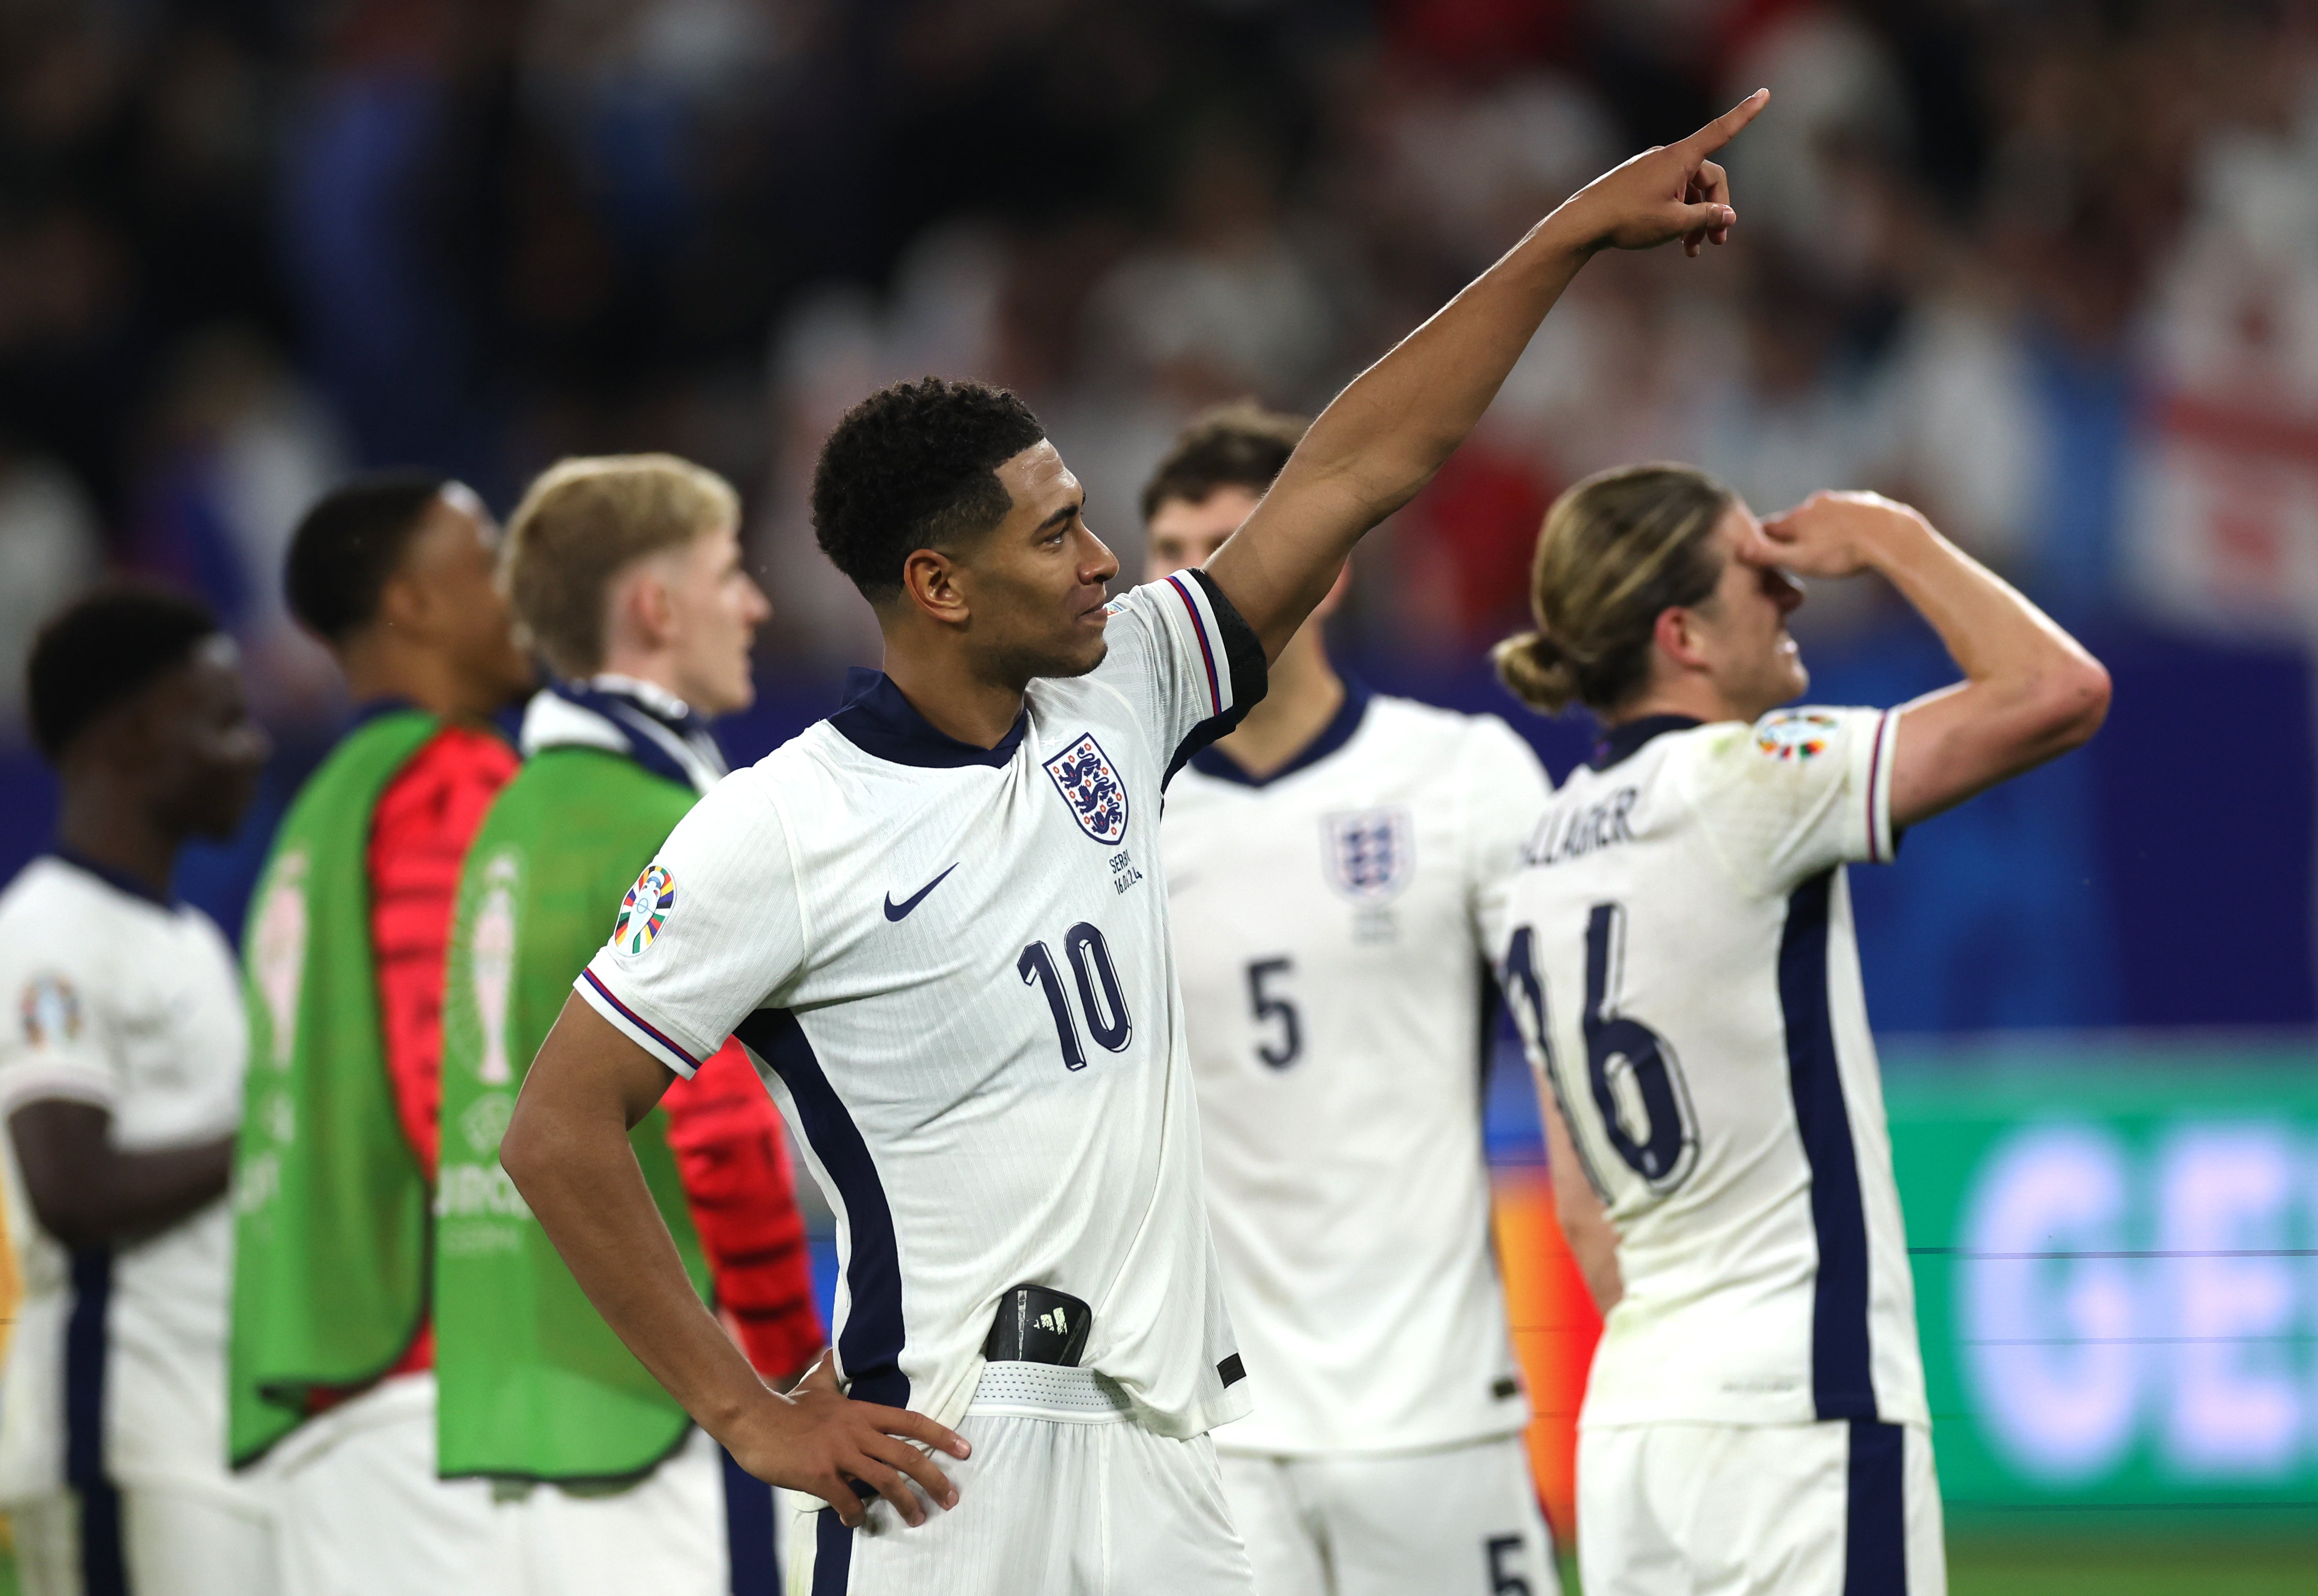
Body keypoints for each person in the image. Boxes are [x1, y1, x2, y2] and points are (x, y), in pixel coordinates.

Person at [499, 90, 1770, 1596]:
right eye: (1054, 533)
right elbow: (558, 1127)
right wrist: (747, 1412)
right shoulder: (777, 827)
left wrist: (1563, 239)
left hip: (1171, 1450)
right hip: (953, 1462)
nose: (1106, 561)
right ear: (940, 585)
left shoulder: (1119, 693)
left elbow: (1358, 468)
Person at [1486, 470, 2110, 1596]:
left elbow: (1579, 1209)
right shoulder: (1745, 780)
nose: (1790, 592)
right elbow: (2054, 690)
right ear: (1679, 633)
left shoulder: (1533, 857)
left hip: (1634, 1431)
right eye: (1753, 568)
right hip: (1798, 1417)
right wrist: (1893, 535)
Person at [1144, 405, 1561, 1596]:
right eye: (1171, 553)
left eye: (1230, 543)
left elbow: (1573, 1058)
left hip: (1433, 1407)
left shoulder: (1463, 774)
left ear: (1323, 565)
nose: (1201, 582)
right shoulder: (1111, 825)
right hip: (1210, 1431)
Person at [434, 454, 825, 1594]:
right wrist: (793, 1386)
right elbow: (724, 1144)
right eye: (726, 573)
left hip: (509, 1403)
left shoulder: (509, 813)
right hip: (654, 1423)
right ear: (655, 608)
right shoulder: (668, 824)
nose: (753, 603)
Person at [228, 472, 537, 1596]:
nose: (519, 589)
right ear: (411, 602)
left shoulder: (319, 810)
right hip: (441, 1385)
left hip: (325, 1379)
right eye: (488, 561)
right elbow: (456, 1085)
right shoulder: (455, 781)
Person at [0, 587, 274, 1596]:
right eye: (222, 719)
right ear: (134, 736)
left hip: (205, 1434)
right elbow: (71, 1186)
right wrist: (277, 1131)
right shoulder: (45, 932)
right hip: (117, 1433)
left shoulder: (185, 938)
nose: (253, 747)